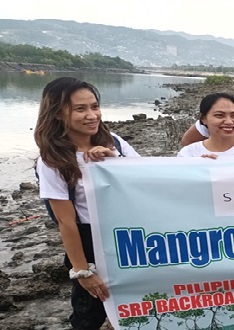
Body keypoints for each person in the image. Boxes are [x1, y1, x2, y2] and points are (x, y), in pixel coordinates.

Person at [34, 77, 140, 329]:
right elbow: (65, 221)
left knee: (136, 305)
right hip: (89, 240)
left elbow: (145, 178)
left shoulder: (115, 142)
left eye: (95, 106)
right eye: (80, 109)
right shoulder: (53, 159)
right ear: (58, 113)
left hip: (127, 236)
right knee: (88, 314)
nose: (92, 115)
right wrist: (82, 270)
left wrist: (113, 160)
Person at [178, 93, 234, 158]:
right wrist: (202, 168)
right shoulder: (189, 154)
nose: (229, 121)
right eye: (219, 115)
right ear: (203, 119)